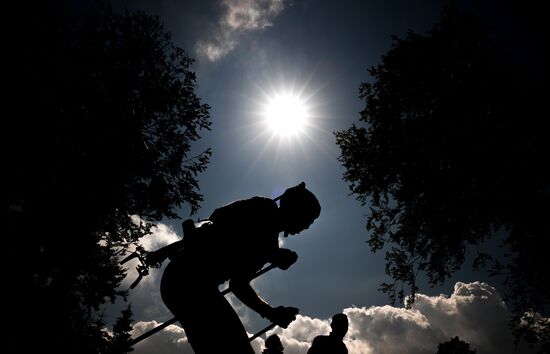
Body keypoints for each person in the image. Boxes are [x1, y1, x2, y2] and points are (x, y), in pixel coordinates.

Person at [148, 182, 321, 354]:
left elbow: (238, 285)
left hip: (192, 285)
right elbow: (220, 218)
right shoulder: (264, 207)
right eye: (308, 220)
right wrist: (269, 254)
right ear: (297, 211)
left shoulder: (270, 242)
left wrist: (270, 312)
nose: (307, 227)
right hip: (186, 278)